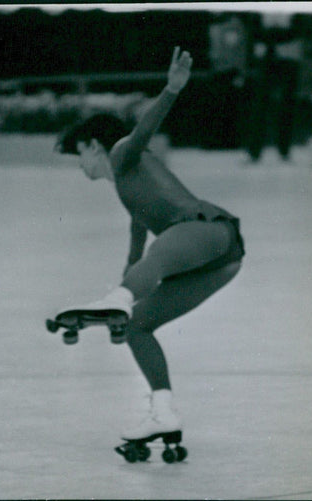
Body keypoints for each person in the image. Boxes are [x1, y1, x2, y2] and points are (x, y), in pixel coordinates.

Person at [54, 47, 245, 443]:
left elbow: (141, 133)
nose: (80, 166)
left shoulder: (123, 152)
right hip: (218, 261)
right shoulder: (130, 191)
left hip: (207, 231)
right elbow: (136, 245)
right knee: (140, 326)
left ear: (93, 146)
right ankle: (162, 413)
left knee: (161, 253)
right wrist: (121, 295)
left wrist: (171, 90)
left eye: (78, 156)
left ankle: (120, 299)